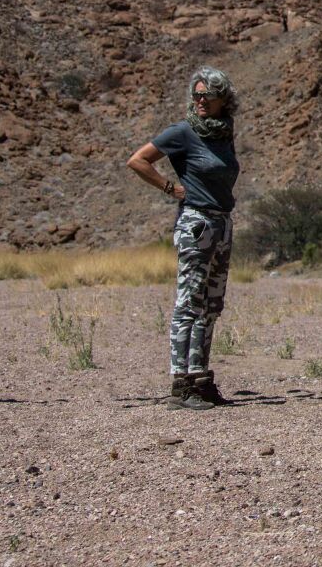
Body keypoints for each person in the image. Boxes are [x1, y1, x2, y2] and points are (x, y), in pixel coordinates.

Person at [125, 66, 240, 410]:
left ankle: (200, 377)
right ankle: (181, 384)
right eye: (196, 95)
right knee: (189, 303)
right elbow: (138, 160)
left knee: (211, 304)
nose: (201, 101)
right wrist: (170, 188)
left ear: (223, 99)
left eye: (208, 95)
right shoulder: (182, 132)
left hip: (222, 223)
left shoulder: (223, 133)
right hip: (196, 224)